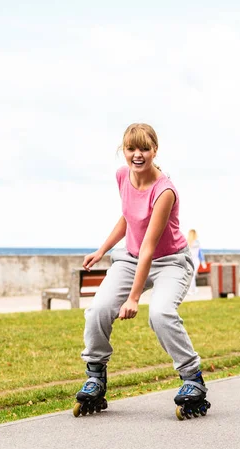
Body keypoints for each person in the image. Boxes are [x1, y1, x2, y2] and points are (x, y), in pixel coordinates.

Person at [73, 123, 210, 420]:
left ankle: (192, 379)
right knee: (98, 310)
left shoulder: (165, 191)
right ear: (123, 150)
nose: (137, 155)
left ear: (155, 151)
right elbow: (128, 218)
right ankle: (95, 375)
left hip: (170, 261)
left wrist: (134, 298)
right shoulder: (122, 175)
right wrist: (102, 249)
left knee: (160, 314)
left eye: (144, 149)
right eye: (131, 148)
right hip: (130, 258)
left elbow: (149, 244)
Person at [187, 229, 201, 295]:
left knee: (190, 275)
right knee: (193, 276)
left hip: (189, 260)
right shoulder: (197, 242)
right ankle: (192, 289)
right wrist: (203, 262)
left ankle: (192, 289)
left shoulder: (187, 242)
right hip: (195, 260)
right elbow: (200, 253)